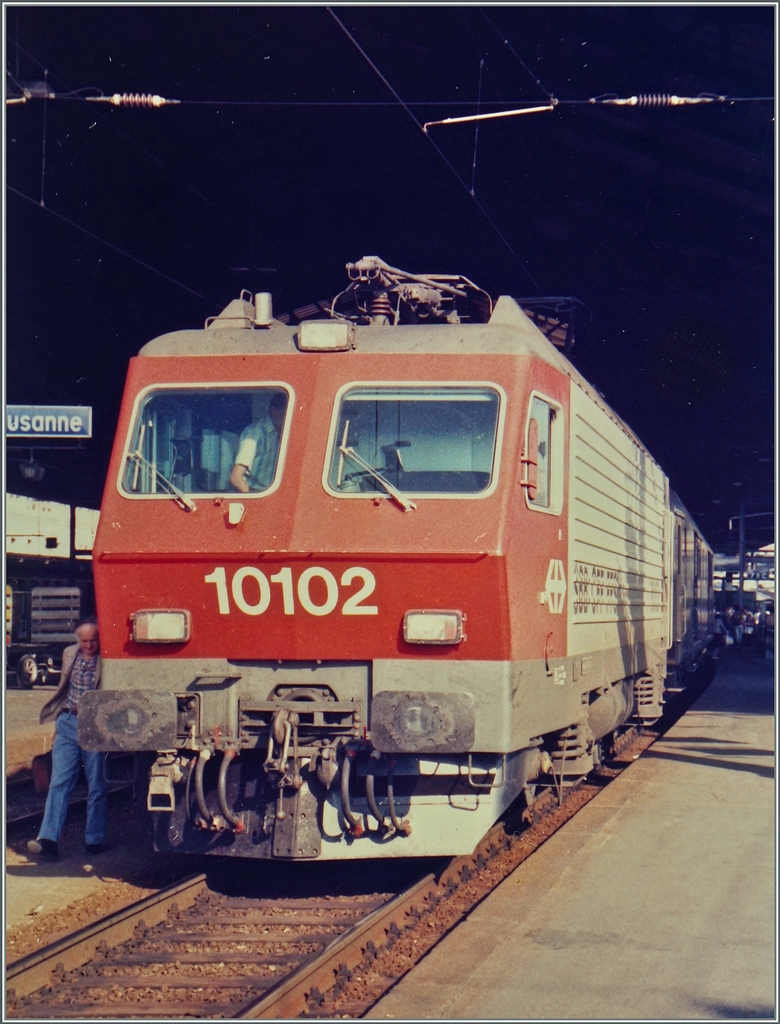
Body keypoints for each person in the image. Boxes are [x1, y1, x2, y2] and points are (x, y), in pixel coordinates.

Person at [27, 617, 108, 861]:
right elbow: (65, 688)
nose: (89, 645)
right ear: (77, 639)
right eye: (84, 640)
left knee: (97, 784)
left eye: (93, 640)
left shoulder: (107, 659)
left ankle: (94, 839)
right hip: (68, 722)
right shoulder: (69, 653)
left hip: (95, 726)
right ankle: (48, 841)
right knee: (59, 782)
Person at [229, 391, 287, 493]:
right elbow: (236, 478)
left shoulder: (284, 433)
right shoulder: (255, 433)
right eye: (280, 410)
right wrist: (253, 501)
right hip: (254, 493)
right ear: (272, 410)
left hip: (271, 493)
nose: (283, 415)